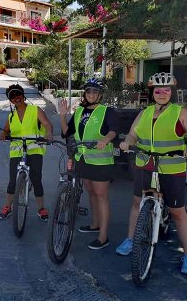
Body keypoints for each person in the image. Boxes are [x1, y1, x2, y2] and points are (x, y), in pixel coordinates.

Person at [115, 72, 187, 276]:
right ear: (152, 92)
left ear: (172, 93)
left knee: (178, 212)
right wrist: (127, 142)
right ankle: (131, 239)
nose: (162, 93)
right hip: (145, 164)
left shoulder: (180, 112)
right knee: (137, 203)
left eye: (166, 90)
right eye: (158, 90)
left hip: (171, 168)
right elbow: (132, 133)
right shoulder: (145, 112)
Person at [59, 77, 117, 250]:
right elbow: (66, 132)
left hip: (101, 161)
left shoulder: (107, 111)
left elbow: (114, 130)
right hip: (83, 159)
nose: (91, 94)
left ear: (100, 95)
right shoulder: (79, 111)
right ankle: (94, 224)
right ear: (85, 93)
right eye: (89, 91)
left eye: (95, 91)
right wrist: (62, 115)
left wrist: (105, 139)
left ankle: (103, 236)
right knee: (91, 192)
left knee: (101, 196)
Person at [0, 84, 53, 221]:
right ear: (10, 100)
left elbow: (47, 124)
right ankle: (8, 206)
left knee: (36, 179)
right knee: (12, 181)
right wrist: (3, 134)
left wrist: (49, 134)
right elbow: (6, 130)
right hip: (17, 151)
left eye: (18, 95)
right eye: (12, 97)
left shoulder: (35, 110)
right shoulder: (11, 116)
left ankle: (41, 208)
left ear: (23, 95)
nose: (16, 98)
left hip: (35, 149)